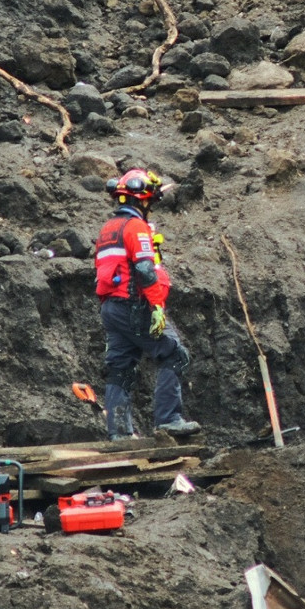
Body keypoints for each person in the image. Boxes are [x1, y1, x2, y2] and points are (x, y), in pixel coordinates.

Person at [94, 168, 200, 440]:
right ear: (141, 200)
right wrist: (156, 307)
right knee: (174, 353)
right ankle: (169, 419)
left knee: (121, 368)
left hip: (111, 308)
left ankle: (119, 434)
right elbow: (144, 270)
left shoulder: (107, 229)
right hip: (133, 305)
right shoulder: (136, 227)